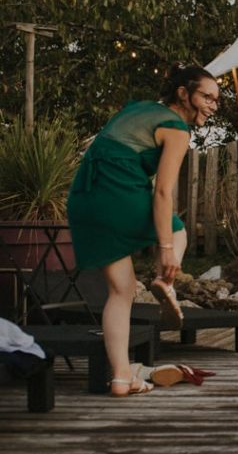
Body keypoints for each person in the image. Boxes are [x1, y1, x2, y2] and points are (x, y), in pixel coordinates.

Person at [67, 66, 220, 396]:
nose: (212, 105)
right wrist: (164, 247)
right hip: (117, 191)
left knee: (121, 291)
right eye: (206, 96)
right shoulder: (177, 128)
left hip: (84, 198)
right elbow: (163, 191)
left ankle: (123, 377)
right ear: (184, 93)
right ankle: (166, 281)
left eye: (216, 100)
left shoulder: (141, 108)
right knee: (178, 233)